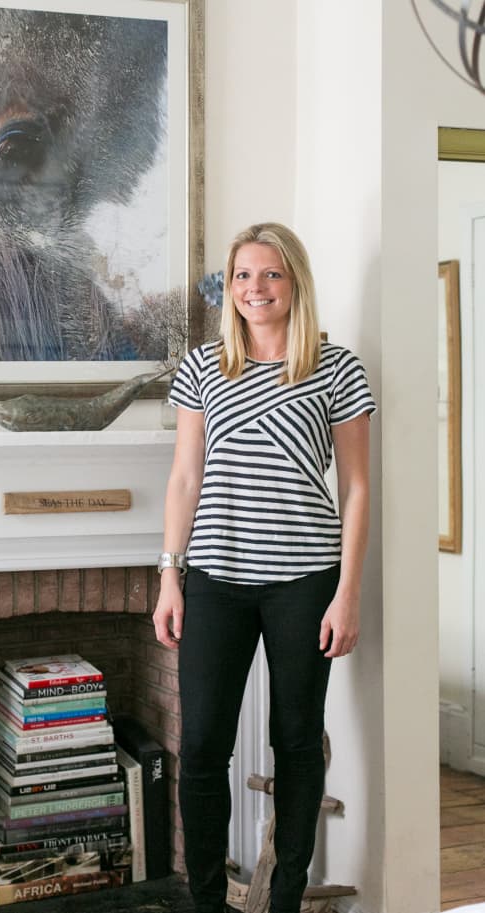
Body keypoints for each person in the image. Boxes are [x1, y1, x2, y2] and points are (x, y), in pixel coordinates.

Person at [153, 223, 375, 913]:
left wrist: (347, 593)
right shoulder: (203, 366)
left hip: (306, 582)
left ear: (295, 282)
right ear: (232, 286)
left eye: (271, 275)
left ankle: (283, 899)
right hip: (216, 579)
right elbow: (186, 477)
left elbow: (357, 487)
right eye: (245, 276)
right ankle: (210, 901)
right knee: (201, 745)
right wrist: (169, 573)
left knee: (297, 741)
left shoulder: (336, 369)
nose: (256, 289)